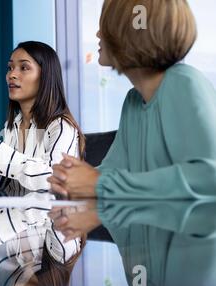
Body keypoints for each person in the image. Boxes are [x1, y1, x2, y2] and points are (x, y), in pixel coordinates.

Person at [49, 0, 216, 200]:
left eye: (107, 26)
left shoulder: (184, 84)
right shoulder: (133, 101)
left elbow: (208, 177)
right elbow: (114, 171)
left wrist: (98, 183)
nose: (98, 34)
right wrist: (71, 180)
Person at [0, 41, 85, 191]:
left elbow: (55, 179)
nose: (12, 75)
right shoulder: (11, 126)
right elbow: (12, 186)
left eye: (24, 68)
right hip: (15, 212)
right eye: (10, 68)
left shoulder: (62, 126)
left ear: (46, 76)